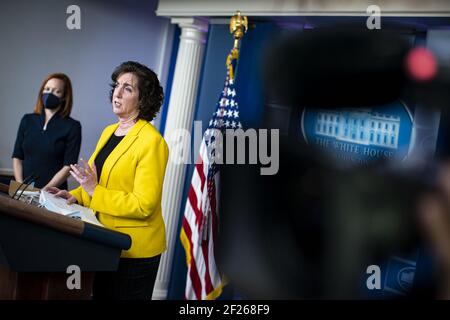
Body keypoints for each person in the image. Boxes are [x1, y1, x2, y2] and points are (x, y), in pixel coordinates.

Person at [47, 61, 169, 300]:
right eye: (117, 85)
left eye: (128, 88)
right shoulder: (108, 131)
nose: (117, 92)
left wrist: (92, 190)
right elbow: (95, 182)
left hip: (134, 251)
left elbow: (144, 205)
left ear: (143, 100)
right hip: (104, 242)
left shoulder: (152, 142)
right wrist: (74, 195)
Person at [12, 73, 81, 190]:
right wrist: (20, 186)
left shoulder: (73, 126)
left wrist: (45, 190)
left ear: (64, 96)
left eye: (56, 91)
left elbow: (68, 166)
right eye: (47, 89)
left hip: (53, 192)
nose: (49, 94)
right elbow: (17, 157)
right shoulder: (27, 120)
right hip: (22, 190)